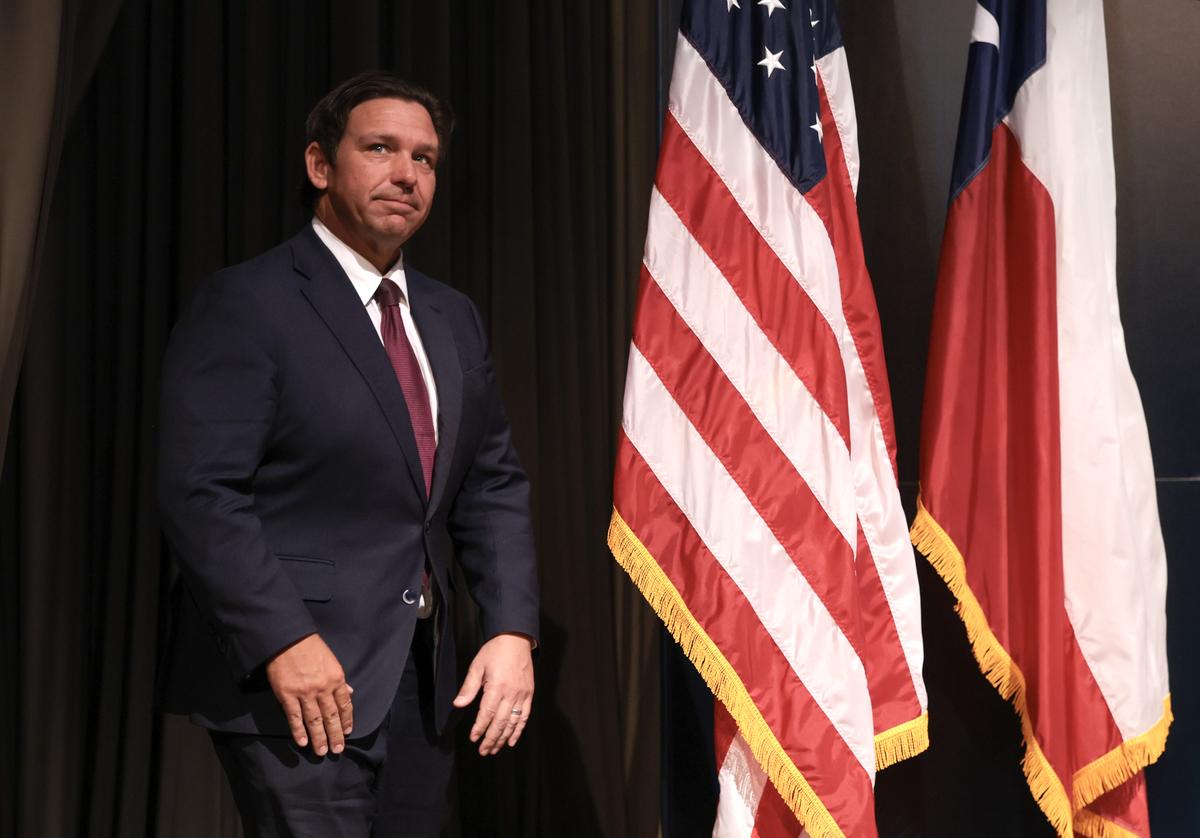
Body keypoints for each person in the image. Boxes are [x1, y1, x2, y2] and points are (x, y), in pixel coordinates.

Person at [157, 71, 539, 837]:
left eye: (425, 159)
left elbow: (491, 485)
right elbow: (200, 492)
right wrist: (283, 640)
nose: (407, 174)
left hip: (424, 684)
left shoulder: (451, 317)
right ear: (320, 166)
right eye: (381, 148)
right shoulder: (248, 302)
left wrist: (510, 630)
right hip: (299, 682)